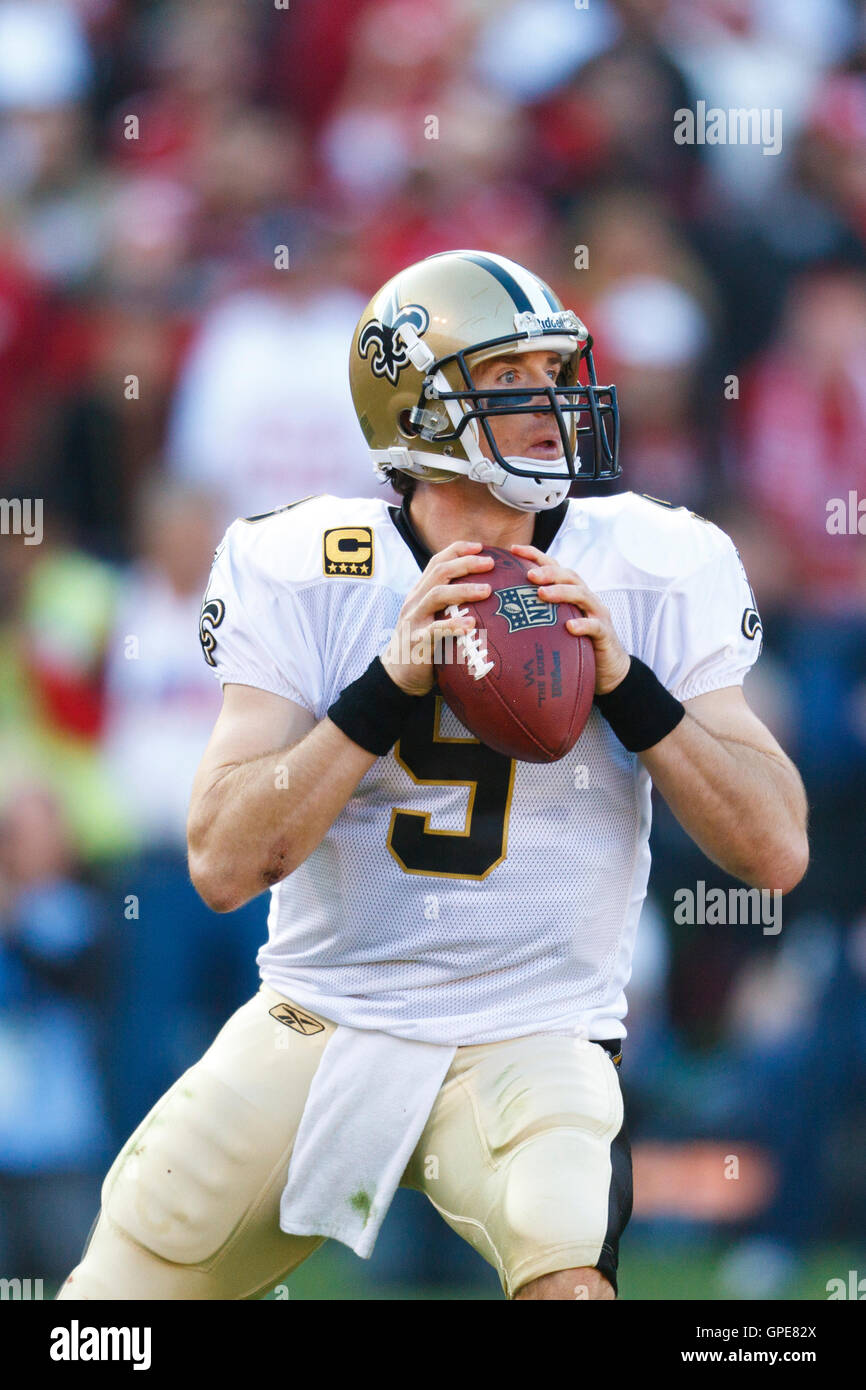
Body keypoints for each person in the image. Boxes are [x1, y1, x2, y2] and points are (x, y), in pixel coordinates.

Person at [57, 249, 808, 1302]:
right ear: (416, 410)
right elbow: (223, 862)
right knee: (108, 1315)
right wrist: (381, 690)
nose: (550, 405)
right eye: (508, 383)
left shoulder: (650, 559)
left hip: (536, 1025)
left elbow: (773, 848)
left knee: (567, 1271)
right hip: (321, 1014)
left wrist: (630, 689)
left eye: (553, 374)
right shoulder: (310, 564)